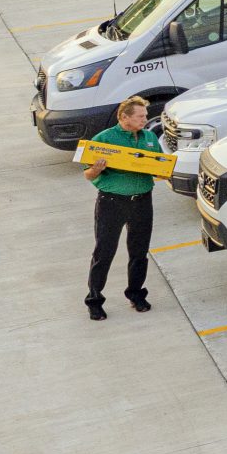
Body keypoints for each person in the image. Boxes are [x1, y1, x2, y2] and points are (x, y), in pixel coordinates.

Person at [83, 93, 161, 320]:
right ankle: (94, 300)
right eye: (140, 116)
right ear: (124, 117)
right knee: (104, 252)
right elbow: (88, 175)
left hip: (142, 201)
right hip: (112, 202)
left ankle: (136, 294)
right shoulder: (104, 140)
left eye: (145, 115)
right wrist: (96, 169)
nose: (145, 119)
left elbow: (159, 166)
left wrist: (163, 172)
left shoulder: (149, 138)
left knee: (139, 252)